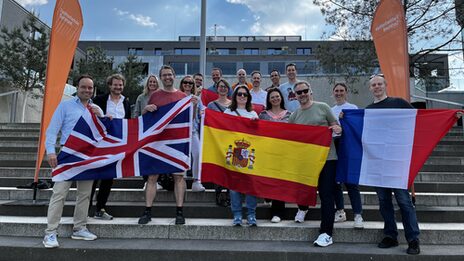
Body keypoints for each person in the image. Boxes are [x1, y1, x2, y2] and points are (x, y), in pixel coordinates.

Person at [43, 75, 103, 248]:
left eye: (90, 88)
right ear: (77, 88)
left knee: (84, 195)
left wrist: (103, 117)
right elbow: (52, 130)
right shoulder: (65, 105)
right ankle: (50, 233)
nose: (87, 90)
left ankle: (79, 228)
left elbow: (104, 133)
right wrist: (51, 152)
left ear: (93, 90)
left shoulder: (96, 108)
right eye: (84, 87)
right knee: (59, 193)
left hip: (87, 156)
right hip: (67, 154)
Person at [366, 74, 420, 255]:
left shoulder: (399, 103)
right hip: (377, 163)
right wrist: (345, 118)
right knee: (384, 202)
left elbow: (419, 118)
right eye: (373, 85)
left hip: (397, 162)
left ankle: (413, 239)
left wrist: (449, 116)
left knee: (404, 202)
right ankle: (390, 235)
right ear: (370, 88)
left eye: (379, 84)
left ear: (385, 85)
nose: (377, 87)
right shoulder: (367, 110)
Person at [288, 81, 342, 247]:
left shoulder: (323, 107)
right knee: (304, 192)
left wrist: (335, 129)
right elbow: (288, 139)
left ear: (310, 91)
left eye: (305, 91)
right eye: (299, 92)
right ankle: (302, 212)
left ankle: (326, 233)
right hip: (306, 162)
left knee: (326, 195)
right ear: (295, 96)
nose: (302, 94)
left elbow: (337, 127)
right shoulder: (294, 116)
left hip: (327, 159)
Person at [138, 65, 188, 225]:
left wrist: (194, 104)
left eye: (169, 74)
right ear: (161, 78)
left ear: (174, 76)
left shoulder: (182, 96)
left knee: (179, 177)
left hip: (176, 142)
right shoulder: (155, 96)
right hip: (158, 142)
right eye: (164, 75)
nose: (167, 77)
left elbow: (189, 120)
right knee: (152, 177)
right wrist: (145, 110)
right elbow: (146, 120)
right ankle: (147, 211)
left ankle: (180, 212)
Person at [90, 74, 131, 220]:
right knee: (93, 177)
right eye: (115, 85)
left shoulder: (126, 102)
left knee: (108, 178)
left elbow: (128, 123)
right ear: (110, 85)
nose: (118, 87)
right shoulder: (99, 100)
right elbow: (90, 118)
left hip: (116, 145)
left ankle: (100, 208)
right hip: (100, 143)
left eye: (120, 85)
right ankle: (86, 208)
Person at [224, 85, 258, 226]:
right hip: (233, 152)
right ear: (235, 96)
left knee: (251, 185)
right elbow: (222, 131)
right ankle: (237, 214)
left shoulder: (253, 114)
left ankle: (251, 214)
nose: (242, 96)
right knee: (234, 186)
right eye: (239, 94)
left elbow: (257, 135)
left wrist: (256, 125)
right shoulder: (228, 111)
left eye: (245, 94)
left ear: (248, 97)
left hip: (249, 152)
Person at [330, 83, 364, 229]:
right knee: (336, 182)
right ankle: (340, 211)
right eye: (336, 91)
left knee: (351, 182)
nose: (339, 93)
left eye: (341, 91)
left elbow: (357, 128)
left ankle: (358, 214)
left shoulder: (352, 108)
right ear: (333, 93)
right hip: (334, 146)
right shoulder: (330, 110)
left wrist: (345, 121)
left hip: (349, 147)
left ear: (346, 92)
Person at [258, 88, 291, 223]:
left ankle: (277, 212)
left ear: (281, 98)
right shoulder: (263, 115)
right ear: (268, 99)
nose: (275, 99)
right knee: (269, 181)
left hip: (283, 153)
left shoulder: (290, 115)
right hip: (268, 153)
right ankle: (268, 198)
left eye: (277, 96)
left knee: (280, 183)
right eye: (272, 97)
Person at [133, 75, 163, 190]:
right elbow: (135, 114)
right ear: (147, 84)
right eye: (150, 82)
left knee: (157, 156)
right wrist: (145, 111)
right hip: (144, 131)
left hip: (158, 131)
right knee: (145, 156)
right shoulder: (141, 97)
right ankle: (146, 180)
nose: (152, 84)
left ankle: (157, 180)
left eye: (154, 82)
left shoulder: (161, 96)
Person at [179, 75, 206, 192]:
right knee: (182, 156)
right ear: (182, 83)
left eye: (190, 83)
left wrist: (197, 107)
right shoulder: (177, 97)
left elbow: (195, 117)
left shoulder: (197, 98)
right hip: (180, 132)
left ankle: (196, 181)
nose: (188, 85)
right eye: (185, 82)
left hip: (193, 131)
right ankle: (181, 180)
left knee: (198, 154)